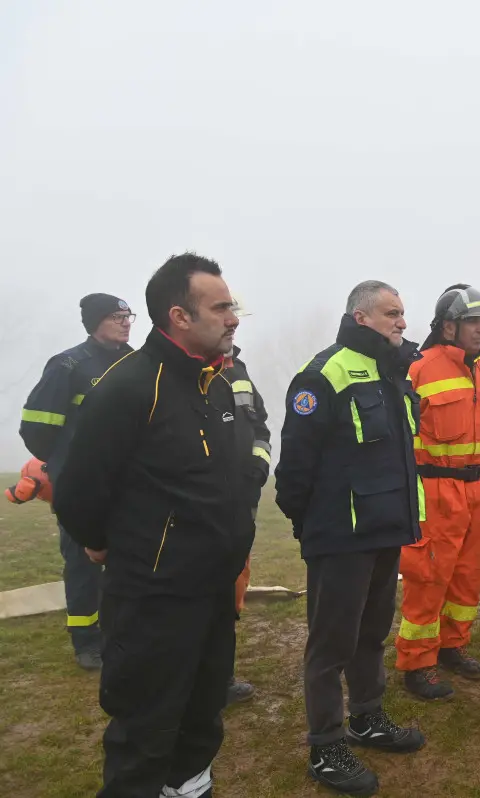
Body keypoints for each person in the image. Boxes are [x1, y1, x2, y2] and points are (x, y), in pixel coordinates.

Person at [53, 254, 257, 797]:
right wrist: (99, 542)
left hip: (214, 589)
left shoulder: (214, 382)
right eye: (220, 307)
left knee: (202, 718)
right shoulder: (130, 386)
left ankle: (189, 789)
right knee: (146, 731)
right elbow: (76, 489)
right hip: (154, 598)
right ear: (180, 316)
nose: (233, 317)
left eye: (232, 305)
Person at [275, 280, 426, 795]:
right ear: (361, 317)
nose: (402, 322)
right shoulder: (324, 374)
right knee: (330, 645)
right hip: (341, 535)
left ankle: (366, 718)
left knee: (371, 633)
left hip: (387, 531)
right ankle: (326, 746)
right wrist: (309, 524)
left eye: (403, 313)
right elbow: (295, 464)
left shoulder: (395, 374)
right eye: (391, 313)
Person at [395, 284, 480, 700]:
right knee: (429, 576)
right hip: (436, 489)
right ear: (449, 326)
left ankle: (453, 645)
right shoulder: (418, 368)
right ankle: (417, 662)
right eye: (475, 321)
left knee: (470, 573)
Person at [18, 293, 135, 670]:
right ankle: (87, 640)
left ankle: (123, 631)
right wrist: (67, 464)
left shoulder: (137, 363)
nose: (125, 321)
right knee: (83, 561)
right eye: (116, 316)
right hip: (82, 486)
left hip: (130, 483)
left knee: (130, 558)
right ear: (95, 321)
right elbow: (36, 428)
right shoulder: (68, 365)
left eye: (127, 315)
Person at [222, 329, 272, 705]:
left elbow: (261, 427)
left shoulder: (237, 369)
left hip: (239, 501)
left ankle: (220, 676)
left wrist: (258, 467)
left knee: (233, 583)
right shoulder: (162, 373)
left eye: (236, 317)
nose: (233, 324)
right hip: (190, 509)